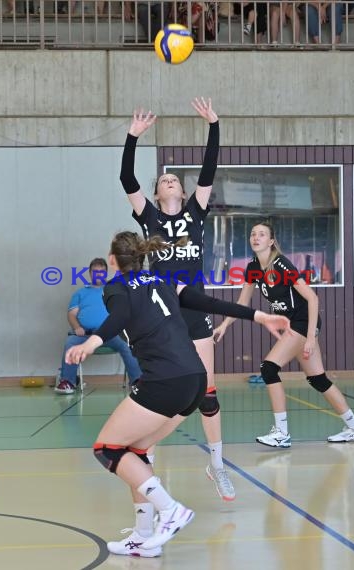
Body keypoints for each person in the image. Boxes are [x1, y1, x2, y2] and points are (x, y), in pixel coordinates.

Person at [65, 230, 291, 556]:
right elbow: (207, 302)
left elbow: (121, 316)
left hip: (164, 381)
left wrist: (91, 342)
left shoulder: (115, 287)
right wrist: (258, 315)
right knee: (137, 452)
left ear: (113, 259)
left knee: (107, 449)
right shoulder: (163, 280)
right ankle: (143, 537)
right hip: (196, 379)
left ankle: (169, 510)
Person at [120, 98, 237, 502]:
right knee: (164, 384)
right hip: (164, 313)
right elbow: (126, 179)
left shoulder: (195, 212)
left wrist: (213, 124)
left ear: (182, 191)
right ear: (155, 192)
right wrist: (133, 137)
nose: (168, 181)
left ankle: (217, 464)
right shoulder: (149, 218)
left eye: (174, 179)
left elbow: (210, 169)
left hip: (197, 309)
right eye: (163, 180)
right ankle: (147, 448)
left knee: (208, 391)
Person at [213, 221, 354, 448]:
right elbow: (242, 303)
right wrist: (225, 324)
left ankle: (281, 432)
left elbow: (313, 299)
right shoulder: (253, 268)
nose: (256, 237)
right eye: (253, 234)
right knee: (318, 379)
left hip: (303, 322)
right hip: (291, 324)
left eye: (262, 234)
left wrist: (312, 336)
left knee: (269, 368)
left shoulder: (282, 265)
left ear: (271, 241)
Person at [55, 257, 142, 395]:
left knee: (128, 344)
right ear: (90, 273)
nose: (98, 275)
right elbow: (71, 315)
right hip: (86, 335)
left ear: (106, 273)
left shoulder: (113, 290)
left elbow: (123, 311)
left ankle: (137, 382)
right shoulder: (80, 293)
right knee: (70, 343)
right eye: (95, 272)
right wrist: (77, 327)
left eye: (101, 272)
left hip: (111, 334)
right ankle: (67, 382)